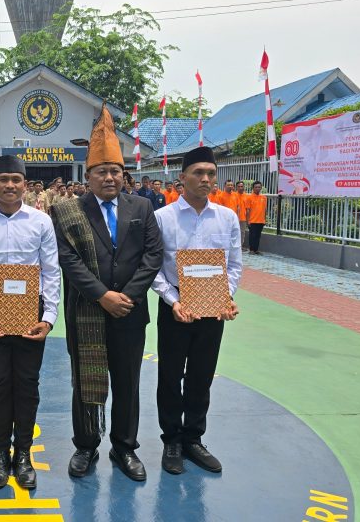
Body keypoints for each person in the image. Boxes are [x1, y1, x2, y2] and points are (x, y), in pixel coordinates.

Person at [52, 103, 163, 481]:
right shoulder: (68, 211)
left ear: (124, 174)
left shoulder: (142, 207)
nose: (110, 177)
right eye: (102, 171)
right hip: (87, 308)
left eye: (116, 170)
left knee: (128, 382)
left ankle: (124, 448)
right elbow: (68, 259)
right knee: (85, 379)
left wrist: (126, 297)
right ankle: (85, 446)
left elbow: (153, 255)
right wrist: (102, 295)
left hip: (130, 312)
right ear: (89, 175)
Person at [0, 154, 61, 491]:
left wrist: (48, 318)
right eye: (3, 179)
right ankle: (0, 454)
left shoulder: (40, 222)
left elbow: (51, 271)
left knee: (28, 385)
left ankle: (24, 455)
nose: (9, 185)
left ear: (25, 183)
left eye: (16, 180)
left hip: (31, 312)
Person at [151, 146, 241, 476]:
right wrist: (172, 300)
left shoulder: (227, 218)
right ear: (182, 178)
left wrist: (224, 297)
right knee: (170, 376)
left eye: (211, 174)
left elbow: (234, 265)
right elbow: (155, 268)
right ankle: (172, 440)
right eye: (198, 173)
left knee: (202, 375)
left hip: (212, 311)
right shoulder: (162, 218)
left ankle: (194, 438)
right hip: (175, 308)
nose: (205, 179)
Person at [245, 181, 267, 255]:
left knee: (258, 236)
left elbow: (265, 210)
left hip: (261, 221)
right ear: (253, 188)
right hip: (252, 220)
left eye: (259, 187)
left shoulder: (264, 198)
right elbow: (247, 210)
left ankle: (256, 249)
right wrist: (248, 221)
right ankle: (251, 249)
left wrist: (264, 219)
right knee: (252, 236)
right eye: (256, 187)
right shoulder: (249, 197)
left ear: (261, 188)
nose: (257, 188)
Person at [235, 181, 248, 251]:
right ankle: (234, 246)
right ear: (236, 187)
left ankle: (240, 246)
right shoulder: (233, 195)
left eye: (242, 186)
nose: (240, 188)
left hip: (243, 218)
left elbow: (248, 208)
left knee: (242, 233)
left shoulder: (246, 196)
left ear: (244, 187)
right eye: (239, 186)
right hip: (234, 218)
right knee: (234, 232)